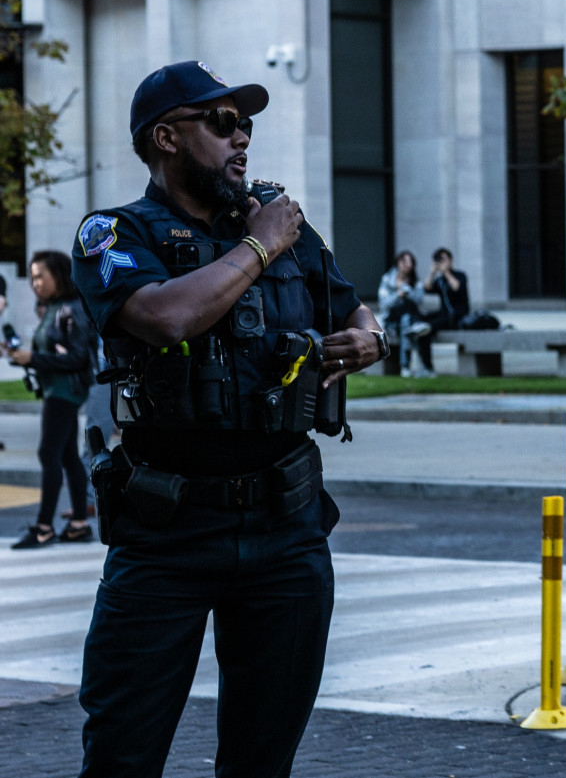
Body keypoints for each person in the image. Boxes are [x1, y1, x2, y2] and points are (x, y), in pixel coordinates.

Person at [71, 60, 384, 777]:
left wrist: (372, 336)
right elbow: (165, 315)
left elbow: (352, 306)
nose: (241, 137)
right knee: (122, 755)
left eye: (246, 123)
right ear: (167, 137)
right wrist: (260, 244)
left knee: (261, 760)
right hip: (165, 534)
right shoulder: (116, 232)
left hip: (285, 531)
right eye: (221, 123)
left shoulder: (282, 225)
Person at [8, 250, 97, 549]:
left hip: (64, 391)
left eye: (39, 276)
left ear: (58, 275)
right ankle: (78, 525)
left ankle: (44, 527)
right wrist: (23, 357)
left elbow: (77, 358)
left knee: (49, 453)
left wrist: (32, 357)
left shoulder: (72, 308)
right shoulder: (54, 307)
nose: (35, 283)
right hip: (56, 389)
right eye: (32, 277)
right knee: (68, 456)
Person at [377, 249, 434, 376]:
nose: (408, 265)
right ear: (398, 263)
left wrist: (408, 292)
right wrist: (398, 295)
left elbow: (419, 300)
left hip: (405, 320)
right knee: (411, 322)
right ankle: (424, 368)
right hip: (391, 321)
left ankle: (405, 368)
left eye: (411, 262)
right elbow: (384, 304)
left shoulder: (415, 281)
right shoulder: (387, 280)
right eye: (405, 261)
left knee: (406, 321)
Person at [423, 246, 471, 332]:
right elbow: (427, 288)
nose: (442, 263)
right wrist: (432, 273)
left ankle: (427, 328)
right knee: (424, 318)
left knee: (434, 324)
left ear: (451, 260)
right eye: (439, 260)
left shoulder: (460, 275)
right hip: (444, 314)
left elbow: (457, 287)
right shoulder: (440, 280)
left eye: (444, 260)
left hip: (458, 316)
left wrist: (446, 272)